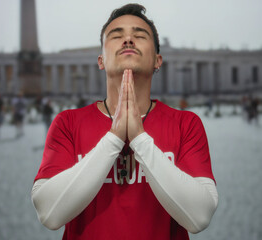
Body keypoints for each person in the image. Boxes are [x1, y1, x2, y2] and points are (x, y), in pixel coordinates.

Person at [31, 4, 218, 240]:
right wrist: (114, 138)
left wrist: (139, 138)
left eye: (140, 35)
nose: (128, 40)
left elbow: (199, 217)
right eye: (116, 35)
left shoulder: (186, 124)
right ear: (101, 60)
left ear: (158, 60)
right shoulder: (67, 123)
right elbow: (49, 214)